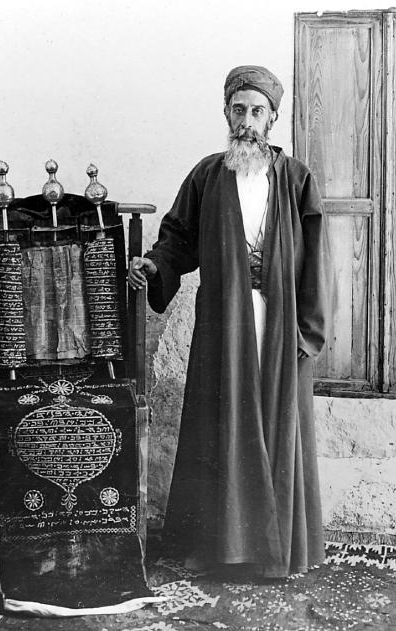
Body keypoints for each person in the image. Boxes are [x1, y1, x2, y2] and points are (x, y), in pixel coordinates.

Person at [127, 65, 331, 578]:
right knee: (222, 427)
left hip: (281, 326)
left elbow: (318, 262)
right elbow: (176, 239)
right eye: (238, 110)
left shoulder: (298, 179)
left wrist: (309, 333)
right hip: (224, 323)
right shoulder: (206, 176)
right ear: (226, 113)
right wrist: (155, 266)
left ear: (273, 119)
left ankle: (275, 552)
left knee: (275, 426)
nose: (246, 121)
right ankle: (220, 550)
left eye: (257, 112)